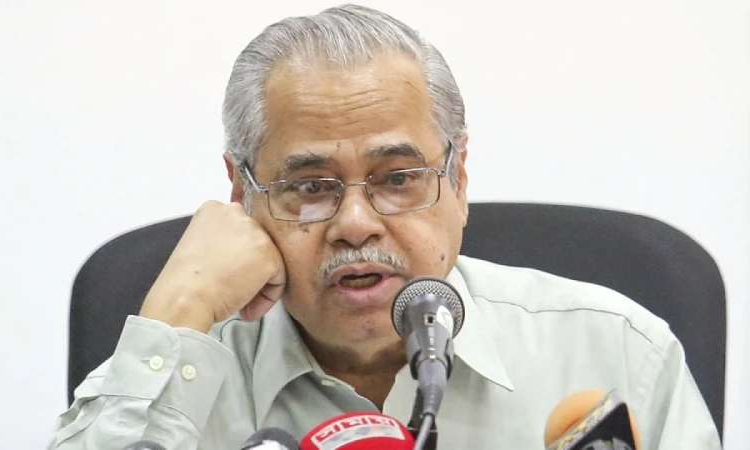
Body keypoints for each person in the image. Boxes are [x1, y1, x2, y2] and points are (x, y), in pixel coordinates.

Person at [47, 4, 721, 449]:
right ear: (243, 193)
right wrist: (178, 311)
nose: (355, 224)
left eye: (398, 178)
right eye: (311, 187)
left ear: (458, 178)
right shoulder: (184, 375)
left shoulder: (614, 356)